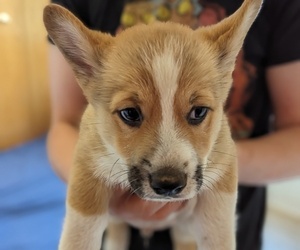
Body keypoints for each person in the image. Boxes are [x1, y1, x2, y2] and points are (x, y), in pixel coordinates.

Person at [46, 0, 300, 249]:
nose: (168, 161)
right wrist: (106, 201)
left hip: (240, 225)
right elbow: (65, 126)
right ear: (86, 69)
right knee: (115, 235)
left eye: (198, 112)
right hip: (115, 218)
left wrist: (223, 163)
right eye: (131, 114)